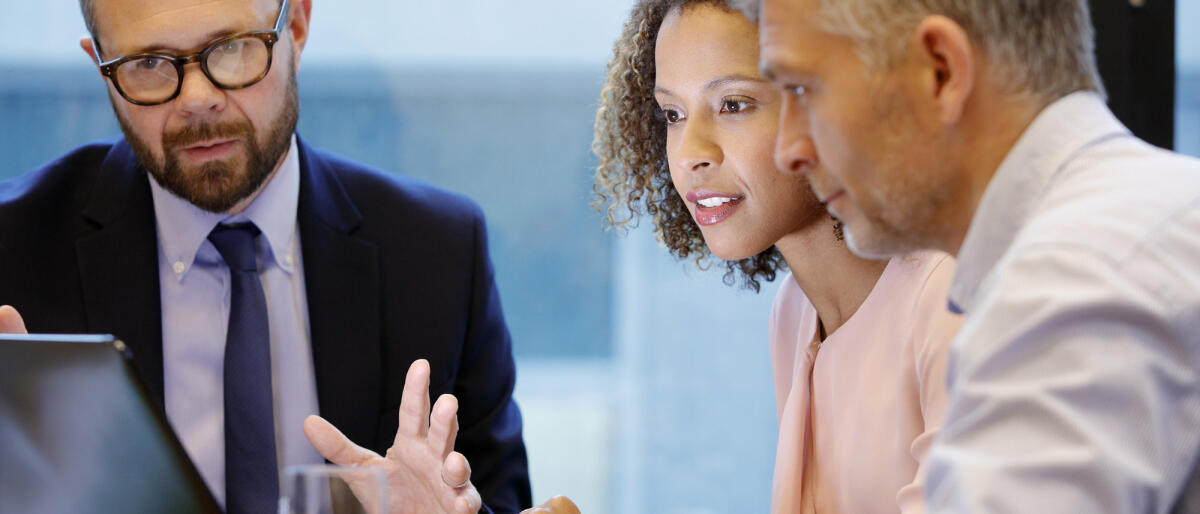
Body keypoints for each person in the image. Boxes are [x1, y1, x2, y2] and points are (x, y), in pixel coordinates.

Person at [0, 0, 530, 512]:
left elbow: (501, 502)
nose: (197, 98)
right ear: (100, 67)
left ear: (296, 26)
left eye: (231, 49)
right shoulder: (13, 249)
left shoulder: (439, 253)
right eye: (149, 64)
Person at [730, 0, 1200, 511]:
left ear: (940, 70)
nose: (790, 151)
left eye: (803, 90)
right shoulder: (1147, 216)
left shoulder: (1079, 278)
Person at [527, 0, 961, 511]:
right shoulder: (795, 313)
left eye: (733, 104)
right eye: (673, 114)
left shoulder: (950, 296)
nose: (690, 153)